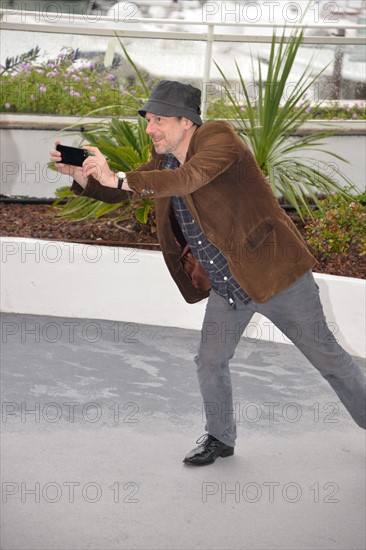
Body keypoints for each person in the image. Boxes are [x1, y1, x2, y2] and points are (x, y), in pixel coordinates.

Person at [50, 80, 366, 466]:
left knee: (329, 359)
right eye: (149, 119)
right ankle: (220, 437)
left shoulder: (218, 138)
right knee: (210, 360)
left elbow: (190, 179)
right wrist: (85, 175)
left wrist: (115, 176)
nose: (151, 128)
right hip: (227, 286)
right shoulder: (163, 160)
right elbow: (129, 189)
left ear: (187, 122)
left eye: (160, 119)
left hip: (276, 276)